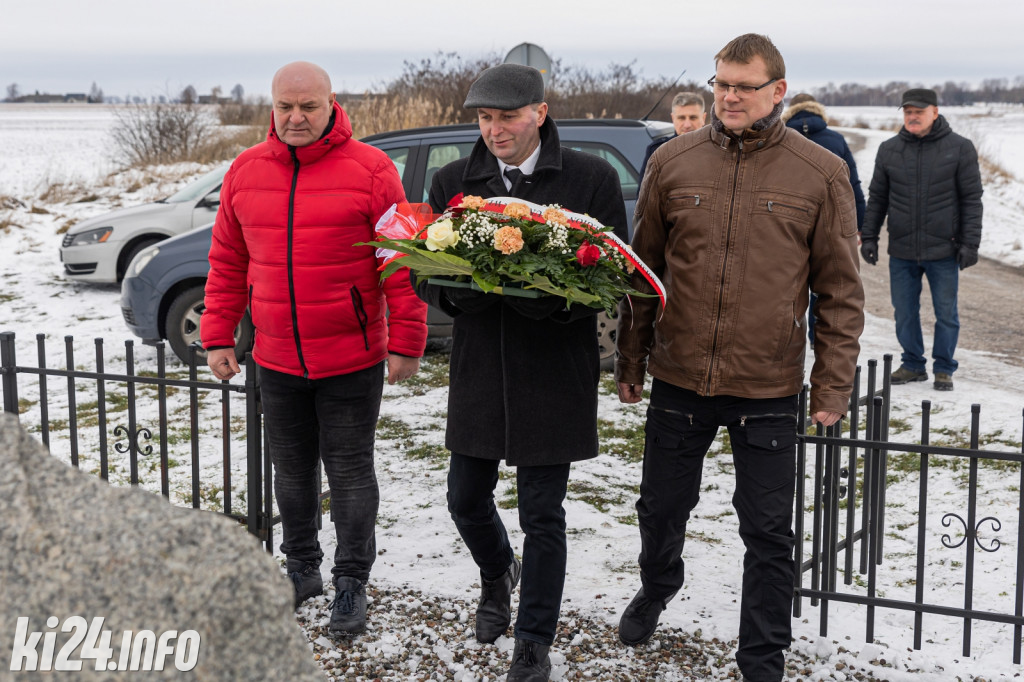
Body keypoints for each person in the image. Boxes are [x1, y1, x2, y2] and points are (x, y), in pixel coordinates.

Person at [614, 34, 864, 682]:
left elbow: (839, 291)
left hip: (767, 386)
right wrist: (632, 361)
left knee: (768, 533)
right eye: (721, 83)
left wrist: (830, 386)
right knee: (660, 510)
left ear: (777, 91)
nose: (728, 96)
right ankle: (658, 584)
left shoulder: (819, 173)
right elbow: (645, 272)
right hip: (680, 377)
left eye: (742, 86)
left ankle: (761, 655)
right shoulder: (673, 162)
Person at [414, 63, 627, 682]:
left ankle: (533, 638)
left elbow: (610, 273)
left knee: (543, 512)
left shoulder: (589, 178)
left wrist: (553, 299)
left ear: (540, 111)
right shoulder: (455, 181)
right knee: (465, 499)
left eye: (506, 117)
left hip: (553, 370)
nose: (494, 130)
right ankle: (495, 572)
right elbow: (424, 270)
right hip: (481, 367)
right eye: (484, 119)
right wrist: (459, 296)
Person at [201, 61, 427, 635]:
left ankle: (352, 581)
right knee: (292, 472)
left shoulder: (373, 171)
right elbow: (228, 261)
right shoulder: (246, 171)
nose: (296, 117)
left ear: (332, 105)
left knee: (350, 473)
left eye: (309, 106)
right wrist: (217, 334)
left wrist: (405, 339)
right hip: (275, 356)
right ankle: (302, 568)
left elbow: (400, 262)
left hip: (351, 357)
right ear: (271, 108)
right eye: (285, 107)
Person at [860, 87, 983, 391]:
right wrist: (870, 236)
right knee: (903, 312)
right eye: (908, 112)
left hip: (944, 248)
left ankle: (944, 368)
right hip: (902, 249)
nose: (912, 117)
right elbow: (878, 197)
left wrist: (971, 244)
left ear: (935, 112)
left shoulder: (960, 148)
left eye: (919, 111)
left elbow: (972, 199)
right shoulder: (889, 149)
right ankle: (913, 364)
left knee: (946, 313)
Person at [782, 93, 866, 346]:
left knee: (786, 285)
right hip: (831, 227)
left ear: (790, 111)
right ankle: (820, 343)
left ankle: (786, 342)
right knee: (828, 287)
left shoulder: (780, 142)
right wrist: (858, 227)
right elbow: (853, 186)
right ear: (819, 111)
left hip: (787, 226)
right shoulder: (836, 140)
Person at [639, 91, 708, 179]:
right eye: (681, 118)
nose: (687, 125)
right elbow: (644, 191)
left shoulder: (716, 151)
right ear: (673, 118)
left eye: (693, 118)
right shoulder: (658, 152)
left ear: (703, 118)